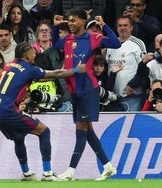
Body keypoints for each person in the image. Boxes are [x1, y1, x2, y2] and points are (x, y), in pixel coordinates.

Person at [0, 42, 86, 181]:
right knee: (44, 131)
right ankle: (47, 174)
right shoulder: (30, 69)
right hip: (6, 110)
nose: (35, 54)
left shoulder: (10, 64)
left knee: (18, 137)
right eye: (33, 52)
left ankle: (27, 173)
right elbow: (56, 73)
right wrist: (77, 70)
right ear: (28, 55)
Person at [52, 8, 121, 181]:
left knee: (81, 128)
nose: (70, 23)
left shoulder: (93, 38)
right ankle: (108, 166)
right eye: (69, 20)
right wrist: (55, 28)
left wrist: (104, 26)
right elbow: (54, 45)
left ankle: (70, 171)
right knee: (88, 130)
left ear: (84, 21)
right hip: (74, 90)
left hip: (88, 89)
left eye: (74, 20)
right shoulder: (67, 39)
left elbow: (115, 43)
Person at [106, 15, 147, 111]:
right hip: (113, 98)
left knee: (132, 125)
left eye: (125, 25)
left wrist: (132, 85)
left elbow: (144, 68)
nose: (122, 28)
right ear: (116, 28)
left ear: (131, 27)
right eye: (120, 26)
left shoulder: (137, 44)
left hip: (132, 96)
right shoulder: (110, 45)